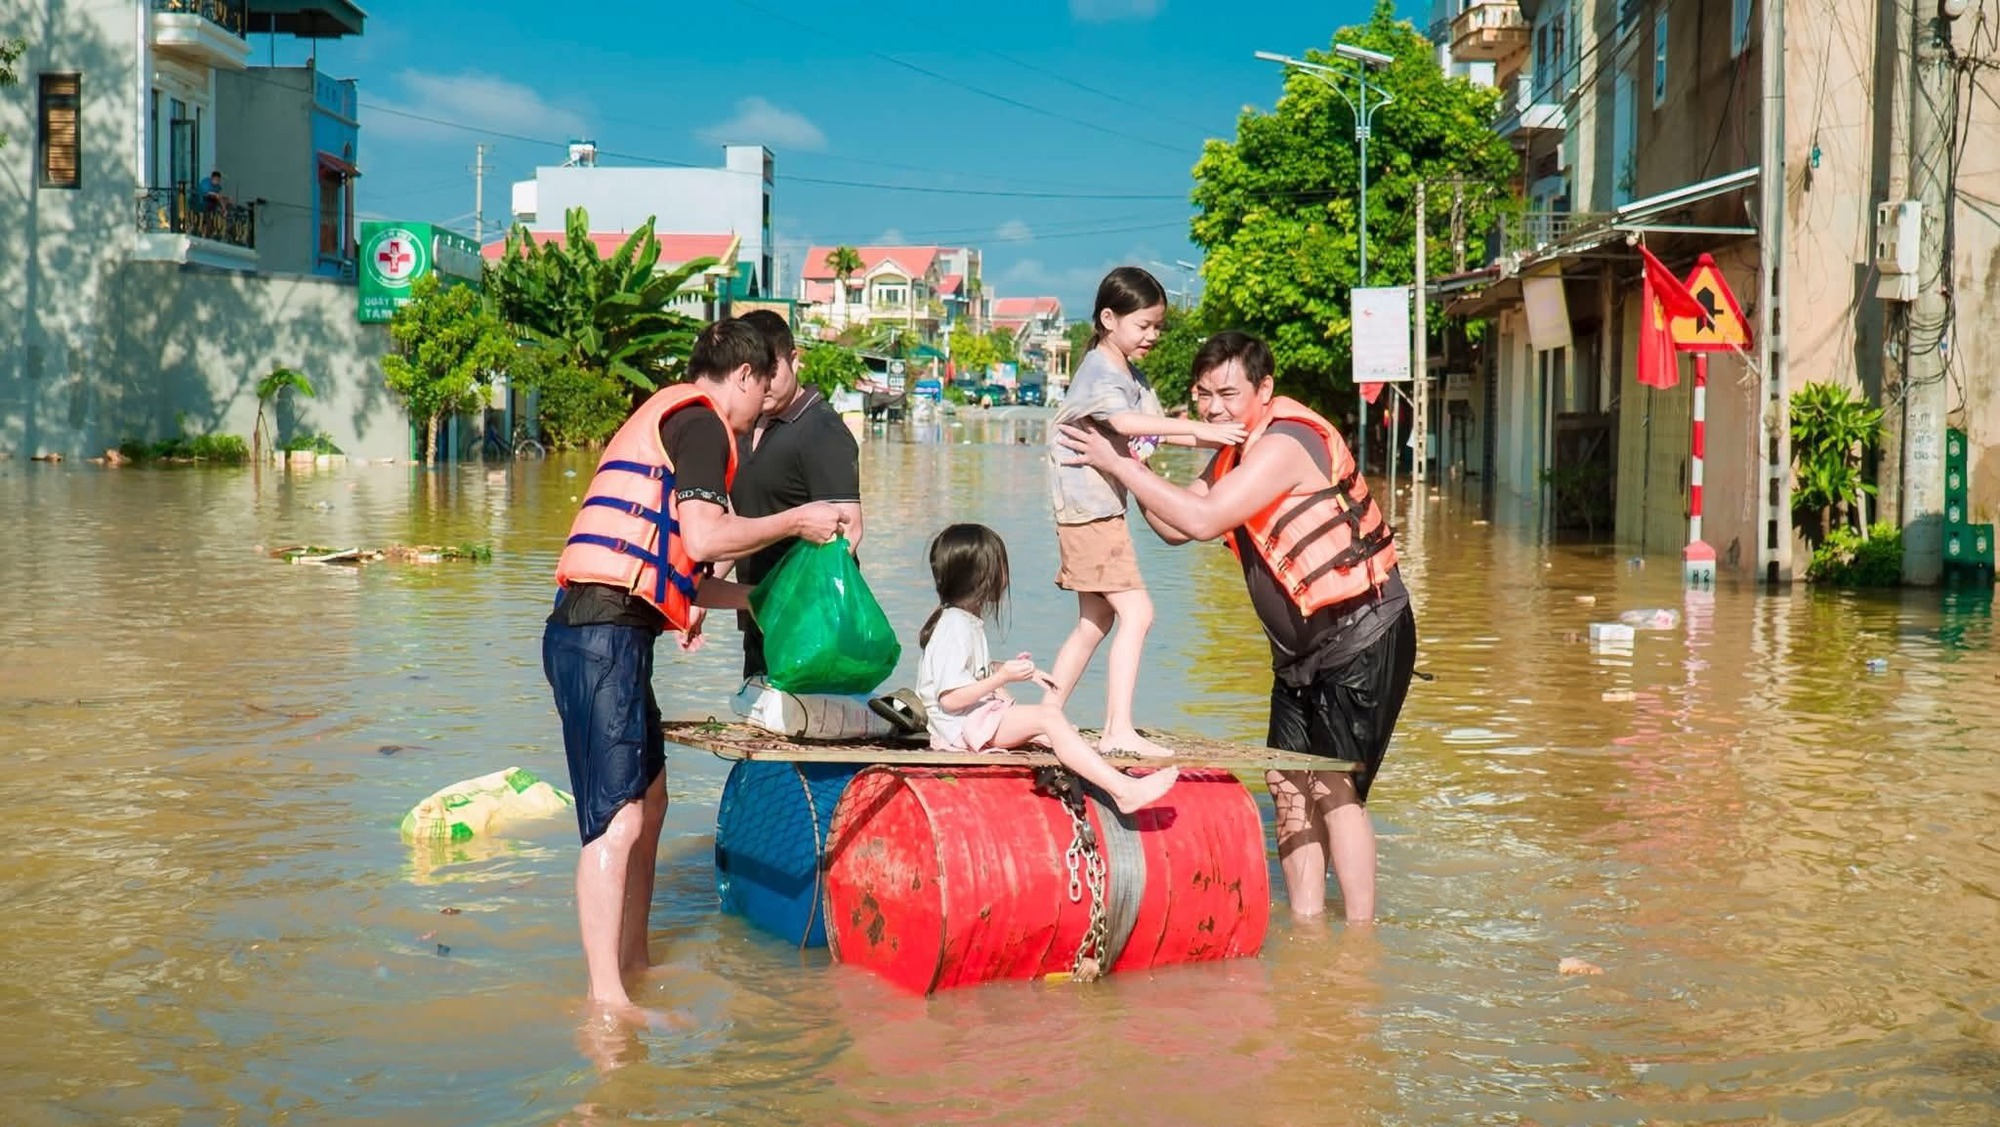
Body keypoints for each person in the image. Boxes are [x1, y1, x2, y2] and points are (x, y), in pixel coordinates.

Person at [542, 318, 846, 1022]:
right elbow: (705, 537)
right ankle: (606, 1003)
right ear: (743, 375)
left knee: (650, 806)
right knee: (617, 820)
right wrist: (797, 520)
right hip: (600, 634)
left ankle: (635, 963)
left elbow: (687, 570)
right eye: (762, 392)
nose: (760, 410)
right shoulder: (704, 422)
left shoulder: (674, 415)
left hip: (609, 634)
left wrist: (758, 599)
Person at [1057, 331, 1414, 922]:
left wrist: (1116, 462)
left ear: (1264, 390)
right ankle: (1307, 929)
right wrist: (1135, 464)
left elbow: (1202, 520)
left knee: (1334, 788)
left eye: (1228, 394)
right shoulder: (1232, 452)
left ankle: (1359, 938)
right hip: (1300, 654)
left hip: (1363, 634)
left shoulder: (1285, 444)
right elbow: (1173, 528)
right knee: (1286, 780)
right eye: (1203, 395)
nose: (1213, 408)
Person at [1042, 266, 1244, 757]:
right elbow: (1125, 421)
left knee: (1096, 620)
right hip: (1089, 513)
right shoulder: (1099, 370)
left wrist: (1214, 440)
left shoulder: (1131, 374)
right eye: (1143, 325)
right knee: (1139, 613)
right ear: (1108, 319)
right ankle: (1117, 729)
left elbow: (1151, 430)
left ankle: (1045, 716)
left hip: (1095, 511)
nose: (1152, 335)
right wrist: (1201, 431)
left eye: (1158, 326)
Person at [917, 523, 1179, 814]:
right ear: (980, 576)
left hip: (972, 722)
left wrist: (1017, 671)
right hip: (961, 729)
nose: (1005, 577)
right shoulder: (954, 626)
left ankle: (1068, 747)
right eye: (1000, 567)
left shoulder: (962, 620)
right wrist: (1002, 677)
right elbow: (950, 699)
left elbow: (970, 670)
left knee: (1051, 725)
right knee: (1049, 716)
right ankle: (1123, 791)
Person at [729, 308, 864, 681]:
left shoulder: (821, 429)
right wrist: (701, 598)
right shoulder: (745, 427)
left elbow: (849, 531)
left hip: (812, 622)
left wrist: (797, 606)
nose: (765, 383)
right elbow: (736, 522)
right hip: (758, 614)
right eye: (755, 373)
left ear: (795, 359)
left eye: (772, 370)